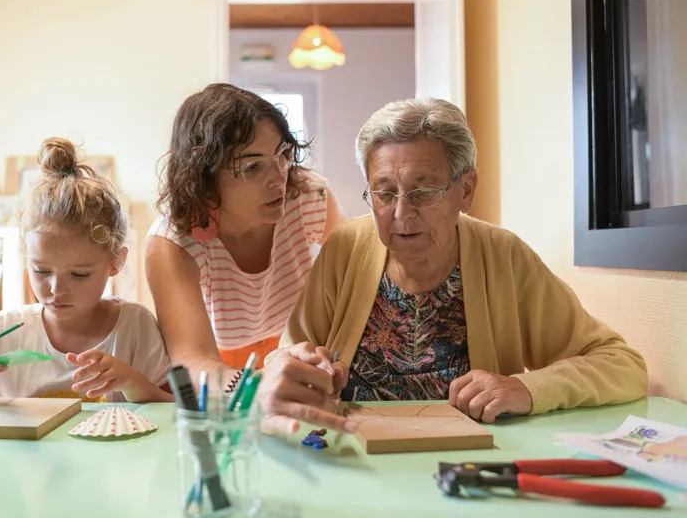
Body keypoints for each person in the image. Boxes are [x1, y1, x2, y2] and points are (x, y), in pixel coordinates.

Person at [256, 97, 649, 435]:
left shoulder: (503, 256)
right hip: (356, 455)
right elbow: (286, 357)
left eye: (423, 191)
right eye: (384, 192)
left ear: (466, 190)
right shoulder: (346, 247)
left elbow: (622, 366)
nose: (401, 213)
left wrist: (526, 389)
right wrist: (297, 372)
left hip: (472, 468)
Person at [0, 137, 173, 404]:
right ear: (26, 256)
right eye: (41, 271)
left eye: (79, 274)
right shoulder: (8, 330)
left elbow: (179, 411)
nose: (56, 289)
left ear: (116, 262)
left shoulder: (135, 327)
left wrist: (133, 383)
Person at [146, 83, 346, 390]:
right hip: (226, 375)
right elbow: (193, 361)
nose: (280, 177)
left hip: (305, 358)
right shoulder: (173, 240)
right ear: (204, 176)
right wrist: (261, 383)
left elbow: (360, 273)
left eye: (283, 154)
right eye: (253, 167)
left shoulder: (308, 196)